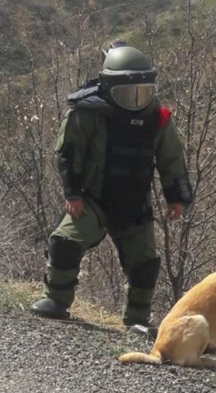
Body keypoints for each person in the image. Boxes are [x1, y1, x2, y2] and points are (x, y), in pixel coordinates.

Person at [30, 41, 192, 334]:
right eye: (127, 93)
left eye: (142, 92)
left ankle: (138, 319)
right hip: (92, 199)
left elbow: (172, 159)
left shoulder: (158, 118)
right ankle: (55, 300)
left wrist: (177, 197)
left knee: (145, 264)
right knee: (65, 242)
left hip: (135, 206)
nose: (135, 100)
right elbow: (68, 154)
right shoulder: (88, 112)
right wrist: (73, 194)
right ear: (108, 88)